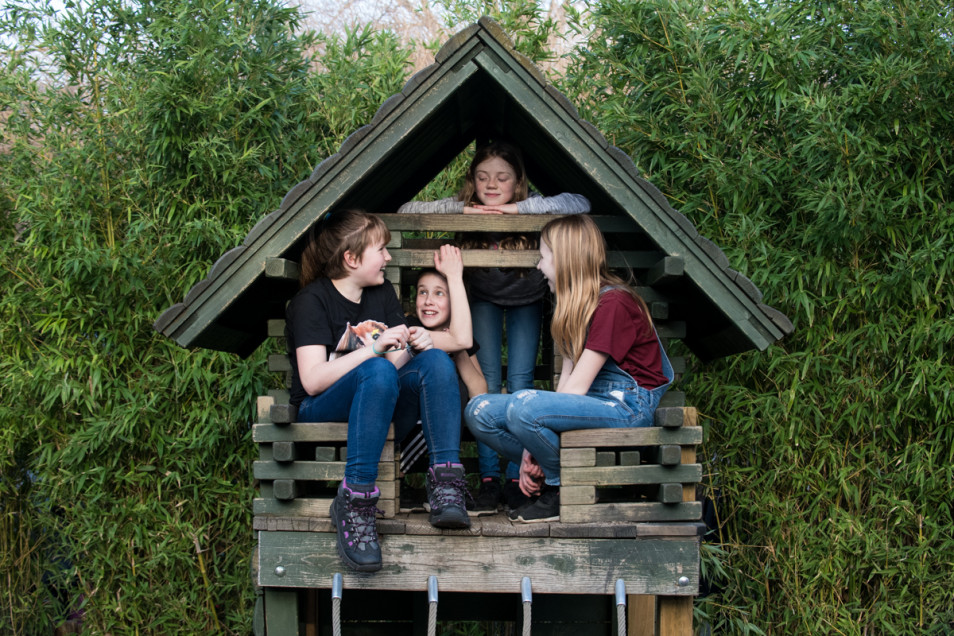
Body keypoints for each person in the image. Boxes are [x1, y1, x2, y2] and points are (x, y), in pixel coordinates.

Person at [398, 141, 590, 513]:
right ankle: (488, 479)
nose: (491, 184)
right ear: (472, 179)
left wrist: (514, 209)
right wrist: (465, 211)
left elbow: (580, 203)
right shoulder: (465, 205)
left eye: (502, 177)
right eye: (483, 177)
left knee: (520, 383)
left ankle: (522, 477)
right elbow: (407, 210)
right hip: (482, 297)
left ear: (518, 182)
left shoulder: (529, 202)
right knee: (483, 382)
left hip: (528, 298)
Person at [285, 210, 470, 573]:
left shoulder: (381, 291)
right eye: (381, 250)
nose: (388, 257)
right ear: (351, 259)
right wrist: (373, 350)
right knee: (376, 368)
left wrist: (414, 343)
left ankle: (446, 481)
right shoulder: (312, 301)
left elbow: (394, 361)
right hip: (320, 407)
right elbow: (313, 381)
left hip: (377, 398)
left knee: (434, 361)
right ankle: (355, 502)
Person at [464, 215, 674, 523]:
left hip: (625, 407)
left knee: (524, 403)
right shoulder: (574, 308)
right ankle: (553, 476)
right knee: (479, 410)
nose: (538, 266)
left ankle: (560, 488)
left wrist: (531, 440)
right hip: (588, 405)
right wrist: (530, 452)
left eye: (543, 257)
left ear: (566, 259)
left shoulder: (613, 303)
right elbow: (566, 390)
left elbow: (578, 387)